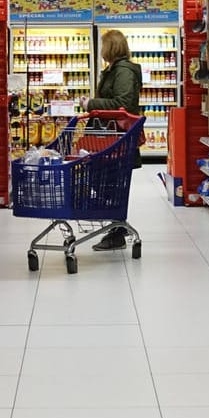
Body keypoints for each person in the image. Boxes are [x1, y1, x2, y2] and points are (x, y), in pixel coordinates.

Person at [87, 29, 142, 251]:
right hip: (108, 136)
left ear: (111, 47)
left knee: (111, 184)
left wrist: (91, 104)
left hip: (117, 138)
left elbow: (124, 104)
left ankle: (117, 230)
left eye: (103, 46)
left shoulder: (124, 71)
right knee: (105, 182)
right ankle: (115, 227)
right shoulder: (113, 70)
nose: (101, 51)